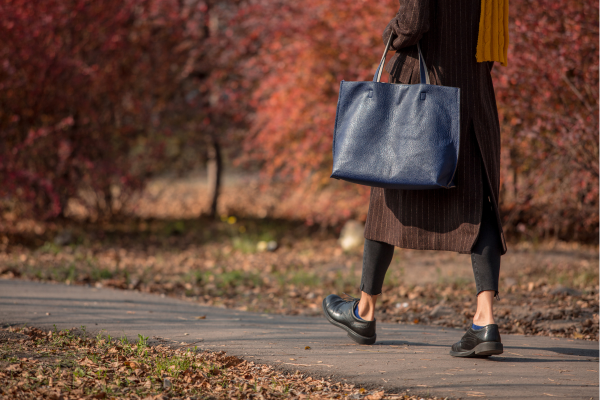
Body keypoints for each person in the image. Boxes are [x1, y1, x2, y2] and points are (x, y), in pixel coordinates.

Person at [323, 0, 509, 357]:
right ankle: (485, 321)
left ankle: (364, 311)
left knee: (388, 195)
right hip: (472, 94)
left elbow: (413, 21)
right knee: (479, 202)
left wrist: (390, 33)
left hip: (426, 91)